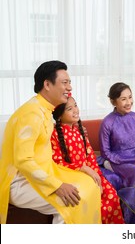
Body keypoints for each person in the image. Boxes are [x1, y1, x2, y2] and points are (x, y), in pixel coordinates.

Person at [0, 60, 101, 224]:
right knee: (73, 201)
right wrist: (57, 186)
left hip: (43, 172)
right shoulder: (31, 114)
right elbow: (23, 161)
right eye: (65, 83)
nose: (70, 88)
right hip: (20, 181)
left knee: (89, 185)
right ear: (47, 84)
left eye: (70, 82)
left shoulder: (44, 109)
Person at [51, 96, 124, 224]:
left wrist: (98, 178)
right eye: (69, 108)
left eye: (76, 105)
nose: (75, 110)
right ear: (59, 116)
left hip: (90, 174)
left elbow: (90, 156)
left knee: (111, 195)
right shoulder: (54, 134)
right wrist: (83, 169)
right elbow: (57, 162)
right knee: (94, 203)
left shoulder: (80, 131)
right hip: (72, 178)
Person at [98, 82, 135, 223]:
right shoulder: (108, 122)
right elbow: (105, 152)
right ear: (113, 101)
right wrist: (133, 161)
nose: (128, 102)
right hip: (117, 160)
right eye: (123, 99)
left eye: (130, 97)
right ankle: (134, 220)